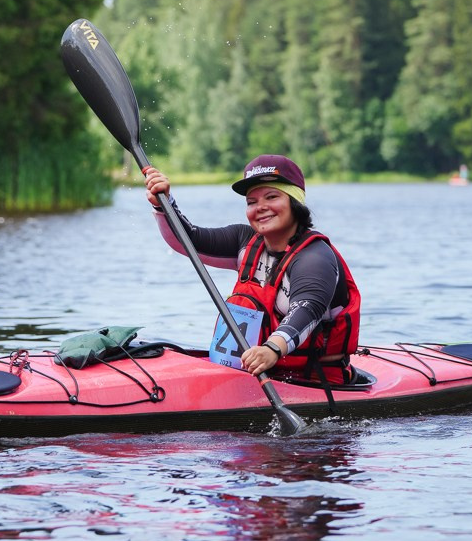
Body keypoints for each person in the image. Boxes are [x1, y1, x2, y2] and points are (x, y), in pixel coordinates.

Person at [143, 155, 361, 382]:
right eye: (251, 202)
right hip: (253, 370)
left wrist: (272, 349)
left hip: (314, 380)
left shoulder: (315, 257)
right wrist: (163, 203)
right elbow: (186, 241)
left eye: (272, 196)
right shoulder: (244, 240)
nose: (261, 207)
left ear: (294, 201)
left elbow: (308, 310)